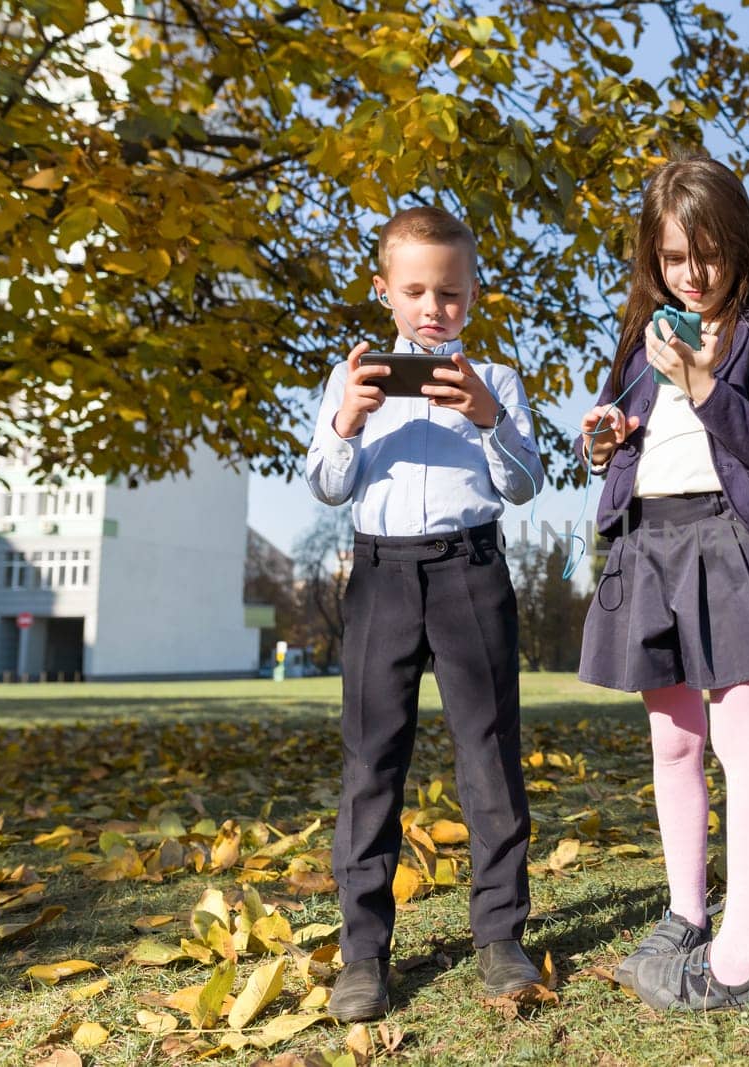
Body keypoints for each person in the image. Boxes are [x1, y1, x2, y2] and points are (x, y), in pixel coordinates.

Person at [576, 157, 749, 1011]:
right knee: (672, 742)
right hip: (648, 546)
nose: (693, 274)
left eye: (708, 253)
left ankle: (740, 960)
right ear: (655, 259)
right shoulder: (642, 337)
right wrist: (601, 440)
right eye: (675, 257)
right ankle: (685, 912)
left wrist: (703, 383)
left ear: (738, 247)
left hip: (724, 539)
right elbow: (611, 438)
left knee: (739, 740)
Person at [306, 205, 545, 1021]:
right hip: (380, 578)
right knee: (372, 760)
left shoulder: (499, 381)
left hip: (470, 572)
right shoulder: (354, 379)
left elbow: (523, 482)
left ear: (472, 295)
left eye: (450, 293)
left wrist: (486, 414)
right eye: (415, 291)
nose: (433, 308)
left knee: (487, 751)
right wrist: (349, 417)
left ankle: (500, 934)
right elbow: (329, 484)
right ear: (385, 291)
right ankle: (364, 951)